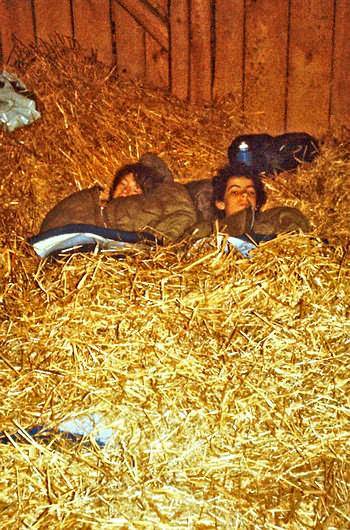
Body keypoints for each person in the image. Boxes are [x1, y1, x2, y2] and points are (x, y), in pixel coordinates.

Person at [39, 153, 197, 243]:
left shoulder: (145, 214)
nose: (126, 191)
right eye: (123, 184)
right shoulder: (94, 204)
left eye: (136, 189)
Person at [189, 162, 310, 240]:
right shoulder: (206, 230)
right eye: (235, 192)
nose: (244, 195)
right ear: (220, 203)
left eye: (251, 192)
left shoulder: (274, 220)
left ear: (257, 204)